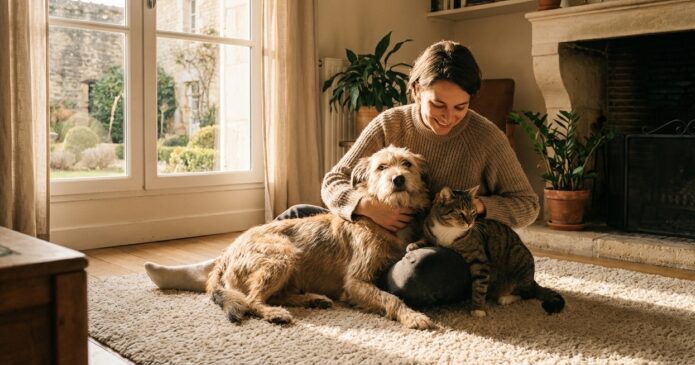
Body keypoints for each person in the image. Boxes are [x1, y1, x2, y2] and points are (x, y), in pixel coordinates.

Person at [145, 40, 540, 307]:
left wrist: (478, 207)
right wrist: (367, 206)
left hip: (432, 245)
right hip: (379, 228)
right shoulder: (390, 124)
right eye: (438, 104)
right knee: (298, 215)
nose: (448, 118)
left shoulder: (486, 138)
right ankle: (218, 269)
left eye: (461, 107)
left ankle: (355, 279)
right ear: (416, 90)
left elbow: (527, 205)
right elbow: (334, 181)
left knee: (420, 277)